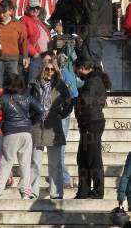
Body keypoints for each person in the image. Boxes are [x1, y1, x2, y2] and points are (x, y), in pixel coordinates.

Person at [0, 74, 42, 199]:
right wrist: (31, 122)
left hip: (10, 133)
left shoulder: (4, 98)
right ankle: (25, 192)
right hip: (26, 133)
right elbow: (40, 109)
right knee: (25, 163)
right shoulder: (27, 97)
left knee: (6, 162)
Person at [29, 60, 73, 200]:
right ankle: (33, 192)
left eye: (52, 69)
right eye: (47, 69)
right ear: (43, 69)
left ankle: (56, 193)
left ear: (56, 71)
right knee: (35, 163)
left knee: (55, 164)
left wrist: (62, 114)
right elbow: (27, 101)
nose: (49, 72)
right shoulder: (34, 83)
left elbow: (69, 102)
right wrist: (31, 115)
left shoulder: (60, 85)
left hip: (53, 127)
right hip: (37, 126)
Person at [74, 57, 110, 199]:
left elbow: (86, 100)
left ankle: (97, 191)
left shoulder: (93, 81)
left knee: (93, 158)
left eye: (76, 70)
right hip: (88, 124)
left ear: (83, 67)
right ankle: (83, 191)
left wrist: (75, 100)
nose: (76, 73)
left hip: (92, 123)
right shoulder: (92, 80)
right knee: (83, 158)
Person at [0, 0, 28, 86]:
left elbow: (23, 41)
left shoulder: (17, 24)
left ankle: (12, 100)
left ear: (11, 11)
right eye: (0, 12)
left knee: (13, 84)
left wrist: (25, 56)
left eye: (4, 12)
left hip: (13, 60)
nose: (1, 14)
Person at [78, 0, 113, 66]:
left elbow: (91, 17)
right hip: (104, 35)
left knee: (89, 68)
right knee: (97, 66)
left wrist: (83, 35)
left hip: (93, 36)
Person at [56, 53, 79, 189]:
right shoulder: (69, 73)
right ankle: (62, 176)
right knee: (60, 146)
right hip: (65, 112)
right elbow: (75, 93)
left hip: (63, 113)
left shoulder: (62, 75)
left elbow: (71, 94)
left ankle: (64, 178)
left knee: (60, 146)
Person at [20, 0, 51, 85]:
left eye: (37, 8)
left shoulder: (39, 21)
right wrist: (35, 53)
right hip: (35, 56)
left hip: (47, 55)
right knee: (33, 82)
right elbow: (23, 39)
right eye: (33, 8)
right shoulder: (24, 20)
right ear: (27, 8)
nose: (35, 10)